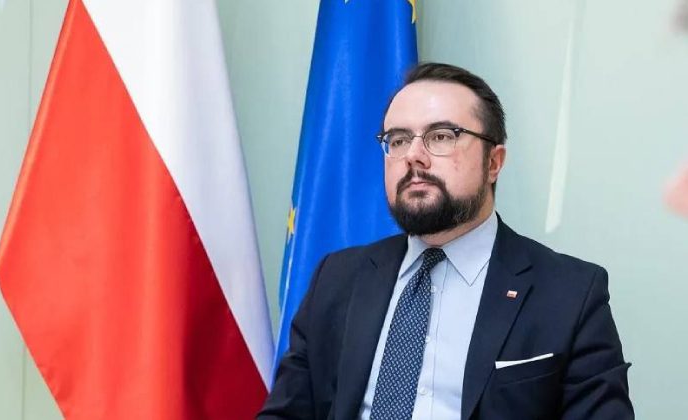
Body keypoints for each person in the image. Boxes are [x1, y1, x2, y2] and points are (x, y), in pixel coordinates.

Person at [259, 63, 633, 420]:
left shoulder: (570, 294)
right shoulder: (337, 277)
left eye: (441, 136)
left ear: (493, 162)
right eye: (398, 140)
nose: (413, 156)